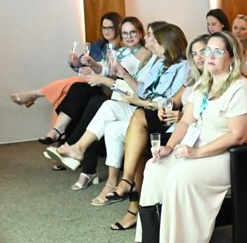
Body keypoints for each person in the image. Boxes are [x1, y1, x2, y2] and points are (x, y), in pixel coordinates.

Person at [135, 31, 247, 243]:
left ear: (232, 58)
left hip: (232, 155)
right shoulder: (204, 84)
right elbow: (186, 122)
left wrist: (197, 153)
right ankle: (152, 236)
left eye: (217, 51)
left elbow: (239, 136)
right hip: (197, 146)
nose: (209, 56)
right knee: (155, 167)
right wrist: (169, 147)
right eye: (208, 51)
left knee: (181, 176)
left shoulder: (241, 88)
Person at [47, 24, 189, 203]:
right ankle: (81, 150)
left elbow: (169, 102)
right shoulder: (159, 63)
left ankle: (104, 170)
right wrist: (124, 74)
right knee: (108, 112)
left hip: (158, 115)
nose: (152, 42)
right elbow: (143, 91)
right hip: (143, 108)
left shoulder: (184, 67)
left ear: (166, 44)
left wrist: (139, 101)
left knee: (98, 102)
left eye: (156, 40)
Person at [110, 34, 209, 233]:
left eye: (203, 52)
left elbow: (203, 115)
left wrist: (181, 116)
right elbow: (173, 101)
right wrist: (166, 108)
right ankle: (131, 195)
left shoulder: (209, 79)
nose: (199, 57)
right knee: (138, 132)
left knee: (140, 134)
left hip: (192, 134)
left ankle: (131, 199)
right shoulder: (191, 78)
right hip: (178, 126)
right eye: (194, 53)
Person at [9, 10, 120, 110]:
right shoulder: (98, 45)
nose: (106, 31)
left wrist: (93, 69)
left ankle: (35, 94)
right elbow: (82, 65)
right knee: (63, 95)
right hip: (89, 81)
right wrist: (76, 63)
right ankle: (37, 99)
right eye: (103, 27)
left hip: (105, 86)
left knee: (73, 83)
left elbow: (113, 73)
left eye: (110, 28)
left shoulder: (122, 49)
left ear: (117, 27)